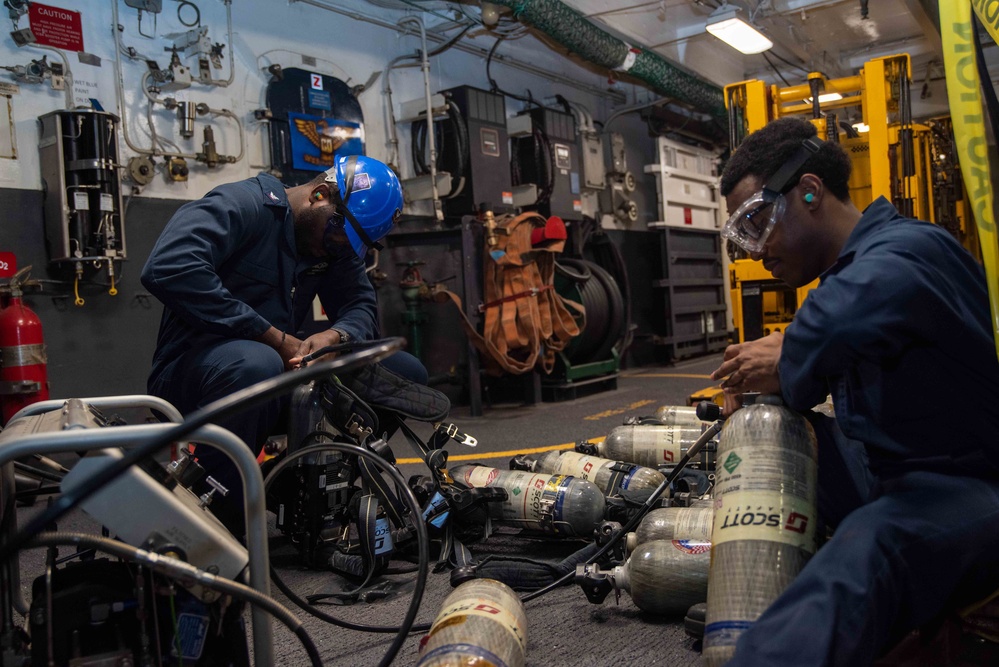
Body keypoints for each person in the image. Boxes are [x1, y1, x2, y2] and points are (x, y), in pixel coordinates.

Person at [708, 116, 999, 665]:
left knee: (870, 551)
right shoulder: (849, 275)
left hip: (970, 489)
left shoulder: (910, 249)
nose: (754, 250)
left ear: (810, 191)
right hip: (889, 468)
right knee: (775, 437)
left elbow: (858, 303)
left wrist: (791, 346)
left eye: (757, 222)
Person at [141, 154, 425, 531]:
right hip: (197, 377)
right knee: (257, 362)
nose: (339, 249)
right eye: (339, 237)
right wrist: (273, 339)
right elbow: (168, 267)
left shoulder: (334, 239)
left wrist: (335, 337)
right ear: (319, 195)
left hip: (273, 377)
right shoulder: (241, 205)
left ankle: (300, 487)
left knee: (403, 372)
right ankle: (217, 525)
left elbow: (358, 304)